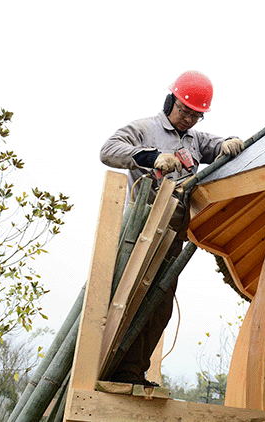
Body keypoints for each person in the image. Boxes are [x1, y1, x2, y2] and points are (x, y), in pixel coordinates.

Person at [99, 70, 244, 385]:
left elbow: (216, 145)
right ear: (171, 102)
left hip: (174, 234)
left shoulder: (193, 140)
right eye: (184, 112)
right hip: (142, 230)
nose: (189, 120)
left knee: (159, 306)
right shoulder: (144, 129)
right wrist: (151, 158)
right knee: (131, 298)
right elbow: (108, 150)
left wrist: (228, 143)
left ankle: (132, 372)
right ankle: (110, 367)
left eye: (196, 116)